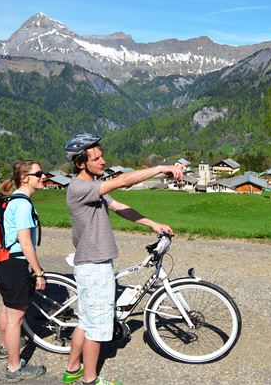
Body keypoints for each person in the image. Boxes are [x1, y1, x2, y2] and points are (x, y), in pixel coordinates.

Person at [62, 134, 184, 385]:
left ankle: (73, 369)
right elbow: (123, 181)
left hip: (92, 264)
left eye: (102, 155)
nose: (102, 161)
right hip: (94, 266)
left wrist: (152, 223)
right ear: (80, 163)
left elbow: (119, 207)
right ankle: (90, 380)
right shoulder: (80, 188)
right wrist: (162, 168)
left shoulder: (93, 187)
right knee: (96, 327)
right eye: (95, 158)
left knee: (86, 321)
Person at [0, 160, 47, 382]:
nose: (44, 177)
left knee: (8, 309)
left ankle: (5, 346)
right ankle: (14, 368)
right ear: (25, 178)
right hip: (15, 264)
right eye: (39, 174)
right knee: (16, 317)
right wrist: (38, 272)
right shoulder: (23, 204)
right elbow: (26, 244)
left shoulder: (13, 199)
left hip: (3, 262)